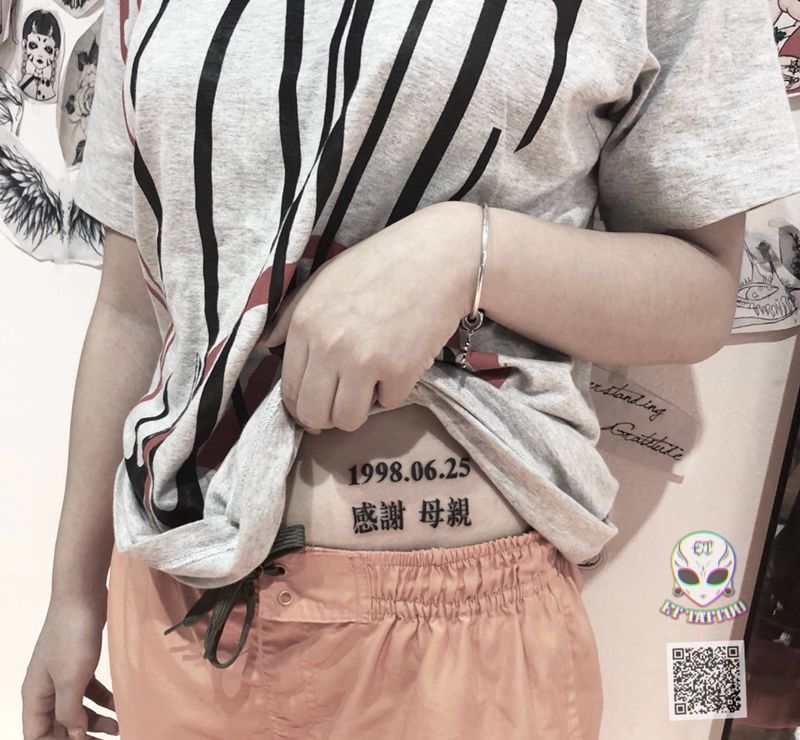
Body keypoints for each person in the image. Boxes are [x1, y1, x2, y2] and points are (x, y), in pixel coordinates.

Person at [19, 0, 800, 738]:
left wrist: (471, 254)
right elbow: (132, 307)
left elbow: (700, 292)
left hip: (456, 657)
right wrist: (74, 592)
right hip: (177, 604)